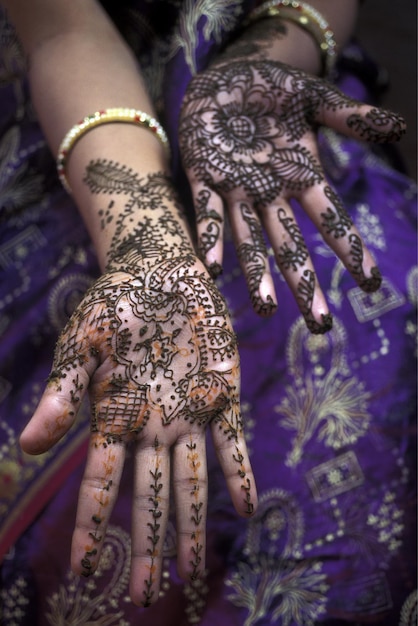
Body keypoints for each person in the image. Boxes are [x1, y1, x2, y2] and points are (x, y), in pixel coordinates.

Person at [0, 0, 416, 624]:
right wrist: (146, 242)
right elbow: (65, 31)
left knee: (374, 324)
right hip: (77, 123)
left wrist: (258, 69)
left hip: (274, 106)